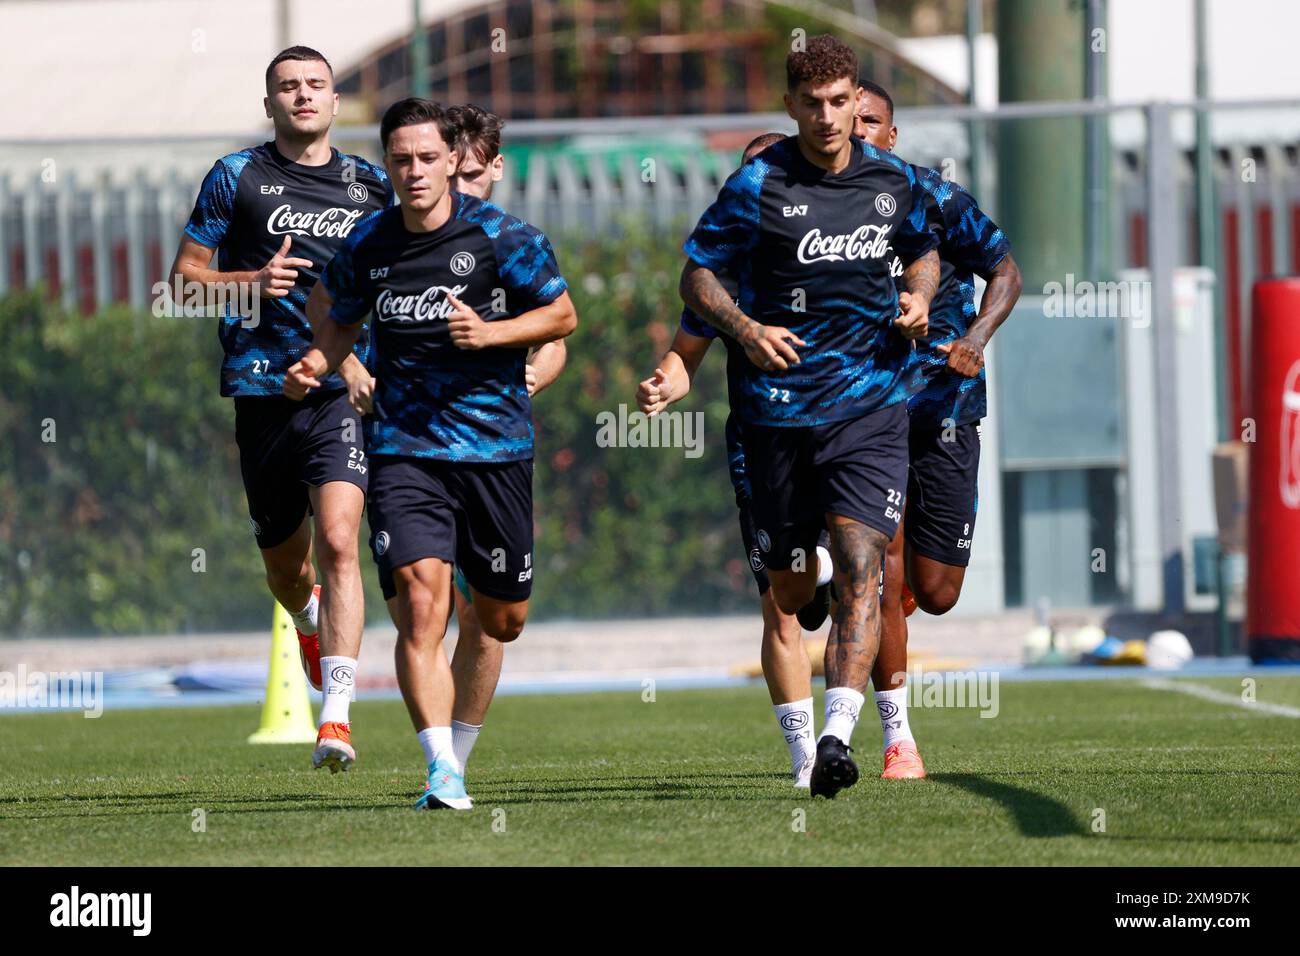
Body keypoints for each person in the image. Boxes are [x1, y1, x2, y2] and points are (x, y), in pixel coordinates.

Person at [284, 98, 577, 810]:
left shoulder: (504, 237)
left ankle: (457, 750)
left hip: (496, 450)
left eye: (426, 159)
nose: (413, 172)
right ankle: (442, 770)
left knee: (502, 620)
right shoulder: (370, 244)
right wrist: (319, 364)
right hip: (403, 449)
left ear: (453, 160)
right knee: (420, 603)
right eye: (400, 160)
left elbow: (562, 315)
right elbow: (335, 312)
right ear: (386, 164)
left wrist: (494, 336)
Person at [679, 35, 940, 798]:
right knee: (792, 592)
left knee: (867, 563)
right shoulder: (757, 184)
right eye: (812, 104)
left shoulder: (895, 181)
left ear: (858, 102)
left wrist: (920, 294)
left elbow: (922, 246)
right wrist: (747, 329)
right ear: (791, 106)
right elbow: (697, 274)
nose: (828, 118)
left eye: (841, 103)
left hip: (871, 406)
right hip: (777, 416)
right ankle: (810, 577)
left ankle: (836, 739)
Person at [170, 46, 392, 773]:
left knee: (339, 541)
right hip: (261, 393)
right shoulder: (236, 176)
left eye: (315, 85)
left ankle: (336, 717)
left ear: (335, 101)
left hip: (336, 393)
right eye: (287, 87)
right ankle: (305, 623)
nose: (302, 96)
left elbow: (403, 279)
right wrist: (251, 282)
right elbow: (182, 284)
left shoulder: (372, 186)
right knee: (290, 573)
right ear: (270, 104)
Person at [638, 131, 833, 789]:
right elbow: (686, 355)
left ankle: (861, 738)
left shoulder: (841, 252)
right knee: (785, 605)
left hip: (845, 436)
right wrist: (665, 381)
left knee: (870, 572)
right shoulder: (720, 280)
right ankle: (804, 757)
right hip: (760, 445)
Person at [853, 80, 1022, 779]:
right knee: (881, 572)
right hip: (864, 410)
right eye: (845, 115)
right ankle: (899, 739)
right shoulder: (806, 209)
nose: (856, 128)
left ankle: (895, 595)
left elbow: (1005, 270)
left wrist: (977, 336)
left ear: (893, 134)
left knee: (939, 589)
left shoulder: (934, 197)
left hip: (948, 408)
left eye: (871, 120)